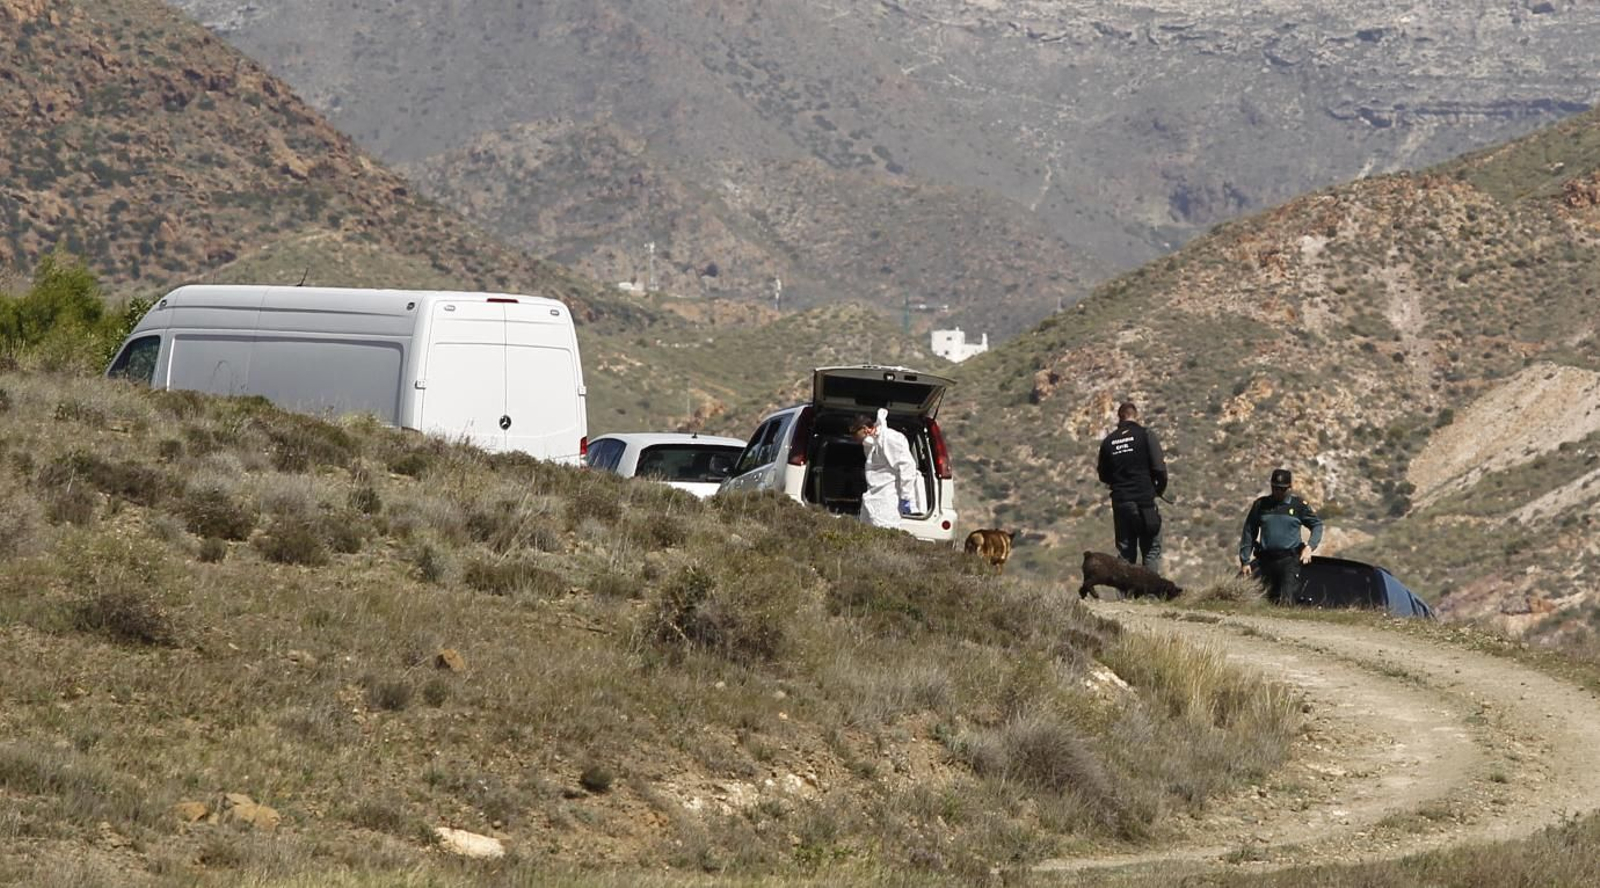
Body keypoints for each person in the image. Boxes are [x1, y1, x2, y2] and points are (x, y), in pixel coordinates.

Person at [1096, 401, 1168, 576]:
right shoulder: (1145, 435)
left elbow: (1103, 475)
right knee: (1151, 549)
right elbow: (1159, 469)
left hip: (1121, 503)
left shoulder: (1108, 442)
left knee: (1125, 552)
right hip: (1145, 502)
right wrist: (1159, 489)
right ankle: (1150, 595)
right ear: (1136, 416)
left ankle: (1126, 597)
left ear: (1119, 418)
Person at [1238, 468, 1324, 605]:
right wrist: (1245, 560)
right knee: (1265, 600)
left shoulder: (1298, 506)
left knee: (1286, 600)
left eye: (1282, 489)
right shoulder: (1261, 505)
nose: (1278, 492)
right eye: (1275, 488)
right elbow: (1249, 531)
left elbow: (1317, 525)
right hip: (1266, 560)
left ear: (1289, 488)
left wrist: (1309, 547)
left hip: (1289, 559)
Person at [851, 408, 918, 530]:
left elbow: (907, 467)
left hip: (888, 498)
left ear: (865, 429)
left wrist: (906, 496)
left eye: (856, 434)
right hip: (873, 496)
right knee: (866, 532)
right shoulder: (871, 444)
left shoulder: (890, 439)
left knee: (884, 533)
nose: (856, 439)